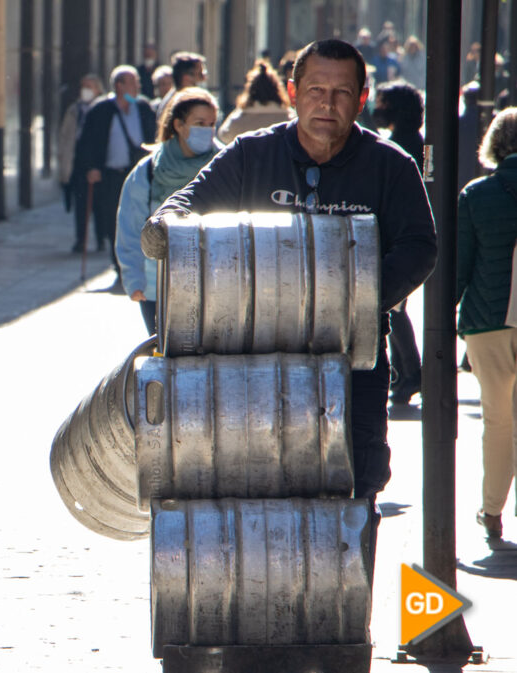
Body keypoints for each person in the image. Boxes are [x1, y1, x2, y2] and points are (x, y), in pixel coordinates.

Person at [150, 39, 437, 502]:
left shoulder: (390, 165)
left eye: (342, 92)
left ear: (362, 99)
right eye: (316, 89)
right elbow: (187, 202)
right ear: (292, 92)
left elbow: (420, 246)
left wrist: (357, 299)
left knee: (357, 480)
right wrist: (164, 226)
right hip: (258, 361)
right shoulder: (251, 155)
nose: (328, 103)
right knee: (254, 481)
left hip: (353, 361)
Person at [116, 87, 222, 335]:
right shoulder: (149, 171)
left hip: (214, 284)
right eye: (199, 123)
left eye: (212, 123)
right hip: (157, 286)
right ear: (179, 125)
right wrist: (134, 280)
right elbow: (129, 227)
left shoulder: (226, 164)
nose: (207, 130)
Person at [456, 108, 517, 539]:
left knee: (497, 420)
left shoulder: (476, 195)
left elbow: (460, 267)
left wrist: (446, 324)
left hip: (487, 319)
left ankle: (492, 512)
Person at [372, 81, 425, 406]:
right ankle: (409, 373)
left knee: (395, 308)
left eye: (383, 103)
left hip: (397, 237)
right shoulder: (407, 142)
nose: (379, 109)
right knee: (397, 308)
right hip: (399, 236)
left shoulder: (400, 148)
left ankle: (409, 373)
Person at [75, 65, 157, 271]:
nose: (138, 86)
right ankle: (119, 263)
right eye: (133, 82)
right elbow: (87, 143)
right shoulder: (101, 109)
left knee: (140, 216)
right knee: (113, 218)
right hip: (112, 175)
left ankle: (138, 259)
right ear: (119, 86)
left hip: (139, 174)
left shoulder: (143, 108)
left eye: (138, 82)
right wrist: (92, 167)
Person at [58, 74, 104, 253]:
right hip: (78, 162)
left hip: (99, 163)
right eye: (83, 86)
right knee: (80, 204)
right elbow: (65, 135)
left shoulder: (104, 107)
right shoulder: (74, 110)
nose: (85, 90)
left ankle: (101, 238)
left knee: (99, 205)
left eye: (90, 86)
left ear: (98, 89)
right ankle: (81, 239)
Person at [217, 59, 295, 144]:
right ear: (277, 89)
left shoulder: (237, 119)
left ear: (250, 90)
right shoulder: (289, 118)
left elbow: (223, 135)